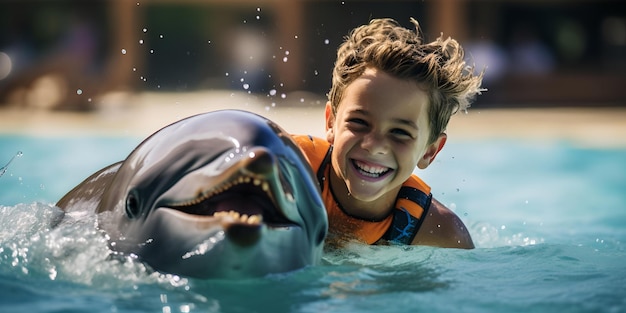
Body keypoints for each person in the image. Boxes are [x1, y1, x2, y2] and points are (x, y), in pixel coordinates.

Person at [293, 18, 484, 248]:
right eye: (359, 122)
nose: (374, 146)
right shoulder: (287, 171)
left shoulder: (440, 235)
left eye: (400, 133)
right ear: (331, 122)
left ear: (430, 151)